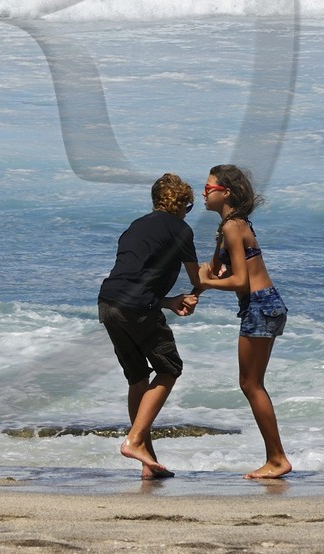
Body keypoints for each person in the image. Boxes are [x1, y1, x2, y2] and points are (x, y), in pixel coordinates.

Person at [97, 172, 203, 479]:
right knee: (170, 368)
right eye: (189, 205)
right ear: (182, 203)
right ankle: (134, 440)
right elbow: (198, 279)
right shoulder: (180, 229)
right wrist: (225, 273)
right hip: (135, 306)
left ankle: (148, 462)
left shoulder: (136, 226)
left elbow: (134, 279)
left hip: (108, 303)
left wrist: (169, 301)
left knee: (138, 378)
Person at [197, 163, 292, 480]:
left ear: (225, 192)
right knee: (252, 384)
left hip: (258, 304)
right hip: (266, 304)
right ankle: (275, 457)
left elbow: (241, 282)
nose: (203, 193)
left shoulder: (231, 227)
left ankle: (277, 459)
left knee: (251, 384)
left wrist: (208, 283)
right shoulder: (233, 225)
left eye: (208, 188)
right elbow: (230, 270)